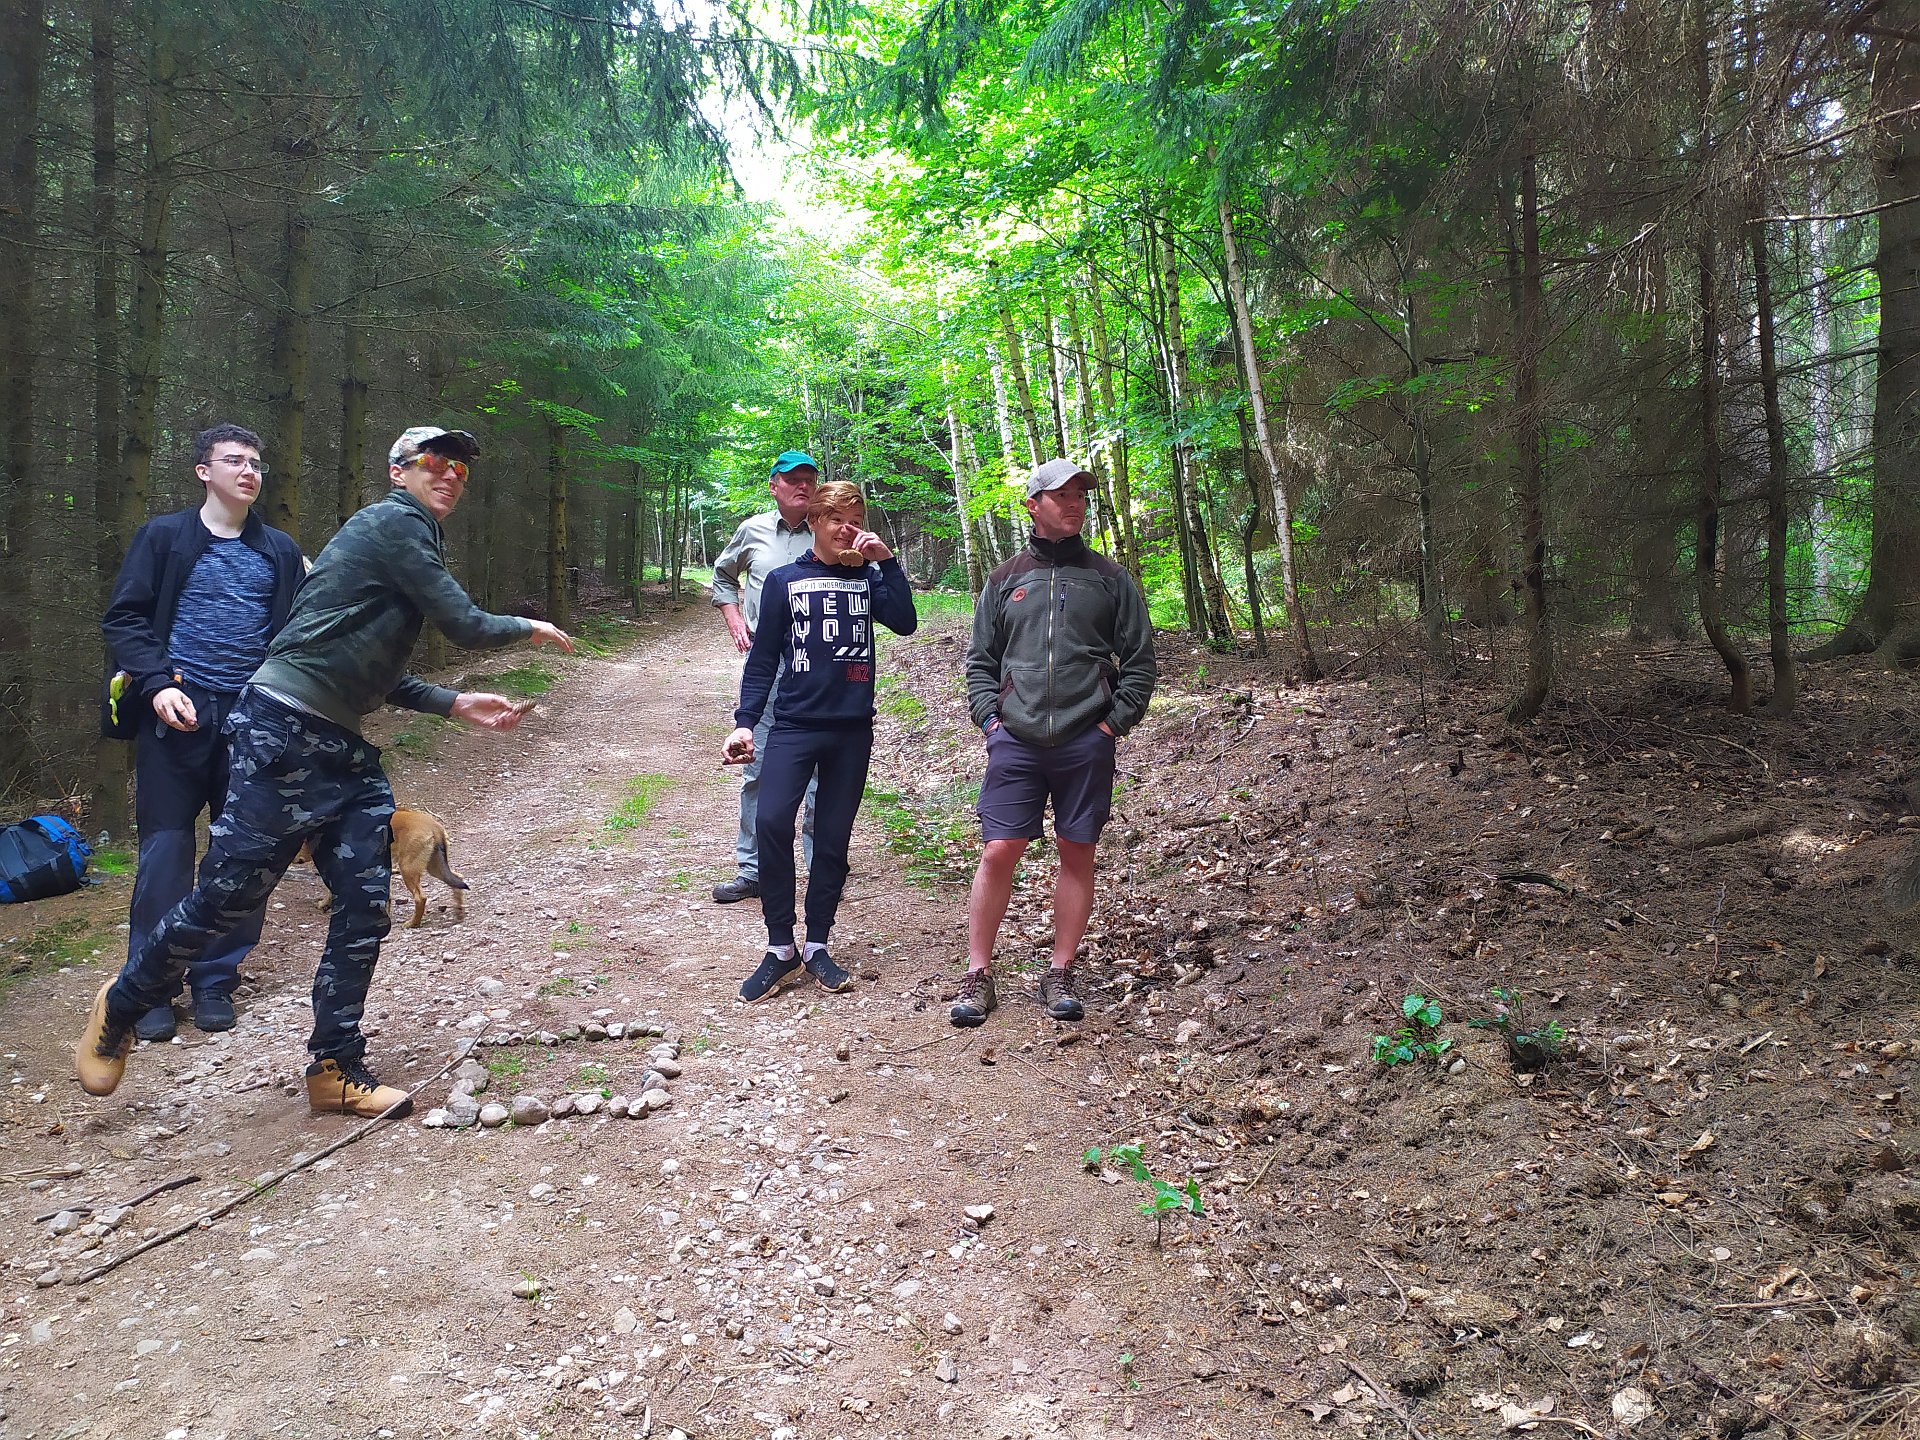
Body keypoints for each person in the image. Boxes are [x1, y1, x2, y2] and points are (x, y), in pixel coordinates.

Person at [75, 426, 574, 1118]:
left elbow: (355, 660)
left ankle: (335, 1067)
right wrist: (528, 627)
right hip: (283, 731)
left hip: (340, 744)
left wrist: (452, 702)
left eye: (460, 468)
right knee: (226, 896)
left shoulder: (404, 540)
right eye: (434, 461)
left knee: (365, 903)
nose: (449, 474)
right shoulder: (394, 523)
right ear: (399, 471)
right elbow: (463, 623)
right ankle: (124, 1002)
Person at [101, 423, 305, 1041]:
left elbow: (300, 632)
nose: (249, 472)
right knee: (165, 854)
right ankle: (152, 985)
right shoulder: (164, 538)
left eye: (256, 463)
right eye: (234, 460)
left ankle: (216, 979)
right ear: (203, 471)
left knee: (241, 854)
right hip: (177, 718)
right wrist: (156, 683)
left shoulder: (280, 551)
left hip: (252, 722)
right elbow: (125, 619)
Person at [951, 458, 1157, 1027]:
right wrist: (990, 723)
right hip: (1014, 739)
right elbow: (980, 661)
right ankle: (978, 974)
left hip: (1085, 738)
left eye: (1080, 496)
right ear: (1032, 505)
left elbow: (1140, 661)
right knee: (999, 849)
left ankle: (1061, 970)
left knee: (1077, 849)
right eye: (1061, 495)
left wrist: (1112, 724)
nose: (1074, 504)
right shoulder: (1005, 579)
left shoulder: (1110, 578)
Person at [723, 481, 917, 1002]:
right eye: (836, 519)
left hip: (851, 730)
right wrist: (745, 721)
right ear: (813, 522)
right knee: (771, 822)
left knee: (832, 839)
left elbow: (905, 622)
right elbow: (763, 658)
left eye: (855, 520)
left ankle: (817, 944)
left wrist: (886, 561)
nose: (847, 529)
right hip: (794, 725)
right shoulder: (785, 581)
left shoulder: (868, 579)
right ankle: (780, 946)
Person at [709, 450, 820, 904]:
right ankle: (753, 870)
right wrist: (734, 617)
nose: (803, 486)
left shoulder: (828, 529)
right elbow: (722, 575)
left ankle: (821, 867)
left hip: (819, 665)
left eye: (810, 479)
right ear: (774, 486)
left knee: (819, 771)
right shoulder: (752, 530)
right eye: (793, 479)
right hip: (768, 664)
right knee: (757, 766)